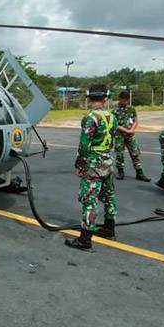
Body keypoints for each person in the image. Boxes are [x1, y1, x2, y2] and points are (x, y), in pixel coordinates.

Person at [66, 84, 118, 251]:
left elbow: (84, 145)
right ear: (105, 98)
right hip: (108, 161)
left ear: (89, 99)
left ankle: (85, 239)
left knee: (90, 200)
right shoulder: (112, 117)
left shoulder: (90, 118)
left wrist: (80, 165)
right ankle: (109, 229)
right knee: (109, 195)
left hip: (93, 163)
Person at [112, 90, 150, 182]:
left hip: (130, 135)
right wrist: (127, 131)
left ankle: (139, 173)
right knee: (119, 154)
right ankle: (121, 172)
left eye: (127, 100)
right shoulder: (114, 110)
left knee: (135, 153)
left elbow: (135, 120)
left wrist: (132, 130)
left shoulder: (131, 109)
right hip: (119, 136)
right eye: (124, 100)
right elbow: (115, 124)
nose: (126, 102)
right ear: (119, 99)